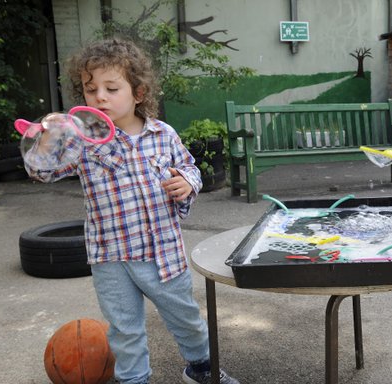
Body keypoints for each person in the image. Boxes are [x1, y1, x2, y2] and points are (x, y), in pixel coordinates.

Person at [24, 39, 239, 384]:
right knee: (124, 331)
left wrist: (186, 181)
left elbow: (191, 168)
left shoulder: (162, 134)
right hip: (111, 258)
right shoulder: (82, 140)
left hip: (163, 255)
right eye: (90, 89)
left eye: (111, 88)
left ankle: (201, 368)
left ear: (138, 93)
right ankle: (134, 379)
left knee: (185, 318)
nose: (100, 97)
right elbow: (41, 172)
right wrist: (49, 137)